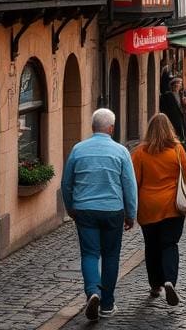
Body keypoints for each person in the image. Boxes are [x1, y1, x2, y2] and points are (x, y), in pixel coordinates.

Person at [61, 108, 138, 322]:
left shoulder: (78, 150)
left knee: (89, 254)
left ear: (92, 126)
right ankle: (107, 304)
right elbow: (129, 186)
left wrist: (70, 208)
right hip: (113, 210)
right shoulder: (121, 151)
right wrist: (131, 214)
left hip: (84, 209)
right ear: (111, 128)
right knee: (111, 255)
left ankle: (93, 291)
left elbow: (67, 184)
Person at [131, 114, 186, 307]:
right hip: (172, 205)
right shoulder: (177, 149)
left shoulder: (140, 152)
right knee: (170, 244)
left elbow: (134, 181)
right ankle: (169, 281)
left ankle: (155, 285)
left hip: (148, 207)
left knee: (152, 245)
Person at [159, 78, 186, 148]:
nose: (179, 85)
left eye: (180, 84)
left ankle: (182, 147)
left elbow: (185, 108)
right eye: (178, 83)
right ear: (173, 85)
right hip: (173, 118)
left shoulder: (181, 95)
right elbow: (163, 107)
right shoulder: (167, 95)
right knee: (176, 133)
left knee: (183, 132)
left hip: (182, 118)